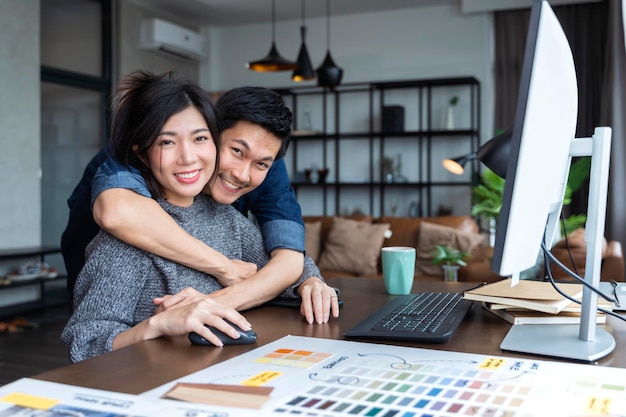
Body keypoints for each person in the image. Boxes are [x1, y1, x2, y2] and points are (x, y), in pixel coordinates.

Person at [62, 71, 325, 362]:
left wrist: (310, 281)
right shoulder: (125, 234)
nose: (188, 157)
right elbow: (86, 343)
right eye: (167, 143)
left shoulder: (229, 218)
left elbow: (286, 263)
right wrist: (159, 324)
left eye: (199, 139)